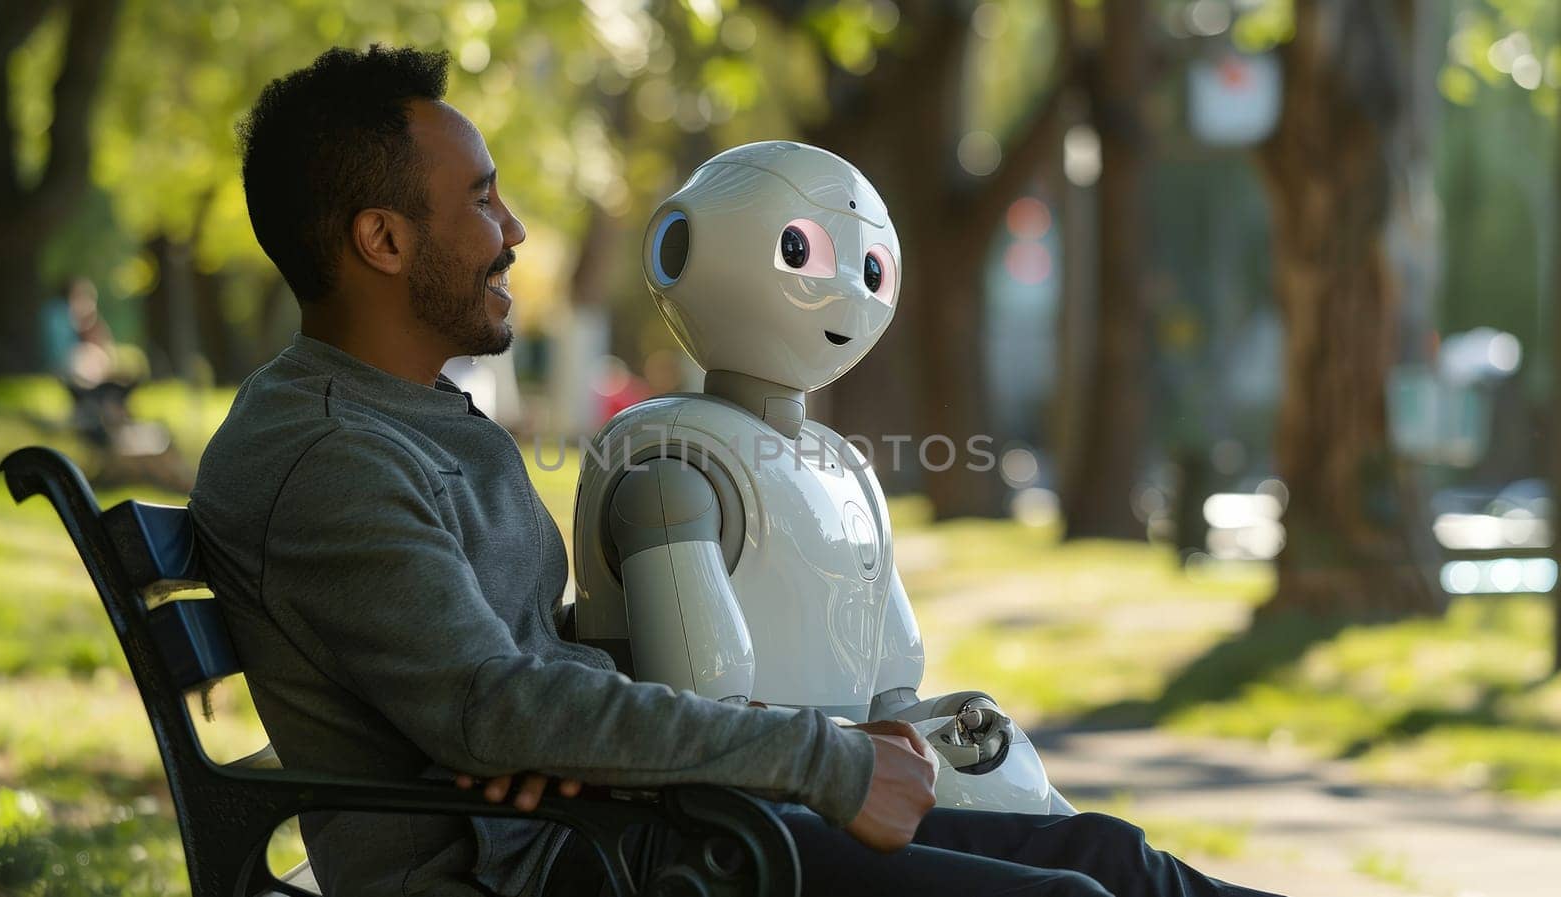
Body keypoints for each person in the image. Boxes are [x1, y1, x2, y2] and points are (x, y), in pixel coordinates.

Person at [190, 45, 1282, 897]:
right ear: (381, 239)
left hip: (615, 828)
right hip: (560, 870)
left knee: (1103, 857)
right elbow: (490, 705)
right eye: (479, 198)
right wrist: (821, 759)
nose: (514, 231)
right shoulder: (330, 456)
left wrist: (558, 732)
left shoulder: (418, 422)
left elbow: (505, 691)